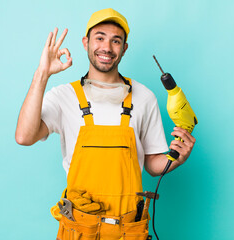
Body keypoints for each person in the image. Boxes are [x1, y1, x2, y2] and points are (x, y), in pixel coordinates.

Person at [15, 8, 196, 240]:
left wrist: (176, 157)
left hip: (128, 229)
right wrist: (42, 74)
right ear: (86, 42)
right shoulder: (64, 96)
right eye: (100, 38)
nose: (107, 48)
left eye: (116, 41)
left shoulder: (144, 97)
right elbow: (24, 136)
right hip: (79, 228)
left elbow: (152, 164)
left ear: (125, 48)